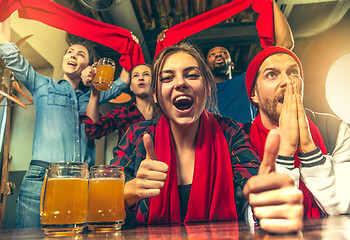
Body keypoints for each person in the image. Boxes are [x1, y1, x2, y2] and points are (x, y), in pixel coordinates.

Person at [111, 43, 303, 233]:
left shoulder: (229, 132)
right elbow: (100, 208)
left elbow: (256, 186)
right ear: (155, 95)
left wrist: (268, 199)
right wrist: (133, 189)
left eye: (192, 75)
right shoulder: (137, 136)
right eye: (168, 78)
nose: (180, 83)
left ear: (208, 88)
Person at [0, 20, 131, 228]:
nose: (73, 55)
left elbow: (123, 81)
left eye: (81, 55)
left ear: (89, 67)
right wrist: (4, 16)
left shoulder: (93, 97)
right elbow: (10, 53)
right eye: (70, 52)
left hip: (80, 180)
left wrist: (131, 44)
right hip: (40, 178)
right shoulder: (41, 84)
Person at [245, 46, 329, 218]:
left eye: (293, 73)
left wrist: (308, 148)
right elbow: (257, 215)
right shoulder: (240, 141)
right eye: (271, 74)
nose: (287, 82)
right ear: (254, 95)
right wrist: (286, 152)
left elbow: (344, 207)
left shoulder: (333, 129)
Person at [206, 0, 294, 123]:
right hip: (214, 140)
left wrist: (270, 2)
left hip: (246, 139)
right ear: (206, 68)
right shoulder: (201, 91)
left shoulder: (246, 81)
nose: (219, 54)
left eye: (224, 53)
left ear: (232, 65)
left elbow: (285, 45)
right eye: (212, 54)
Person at [80, 63, 154, 143]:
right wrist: (95, 92)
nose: (141, 78)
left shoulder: (164, 113)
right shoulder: (121, 113)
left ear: (154, 83)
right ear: (131, 87)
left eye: (146, 74)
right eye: (135, 75)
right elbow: (93, 131)